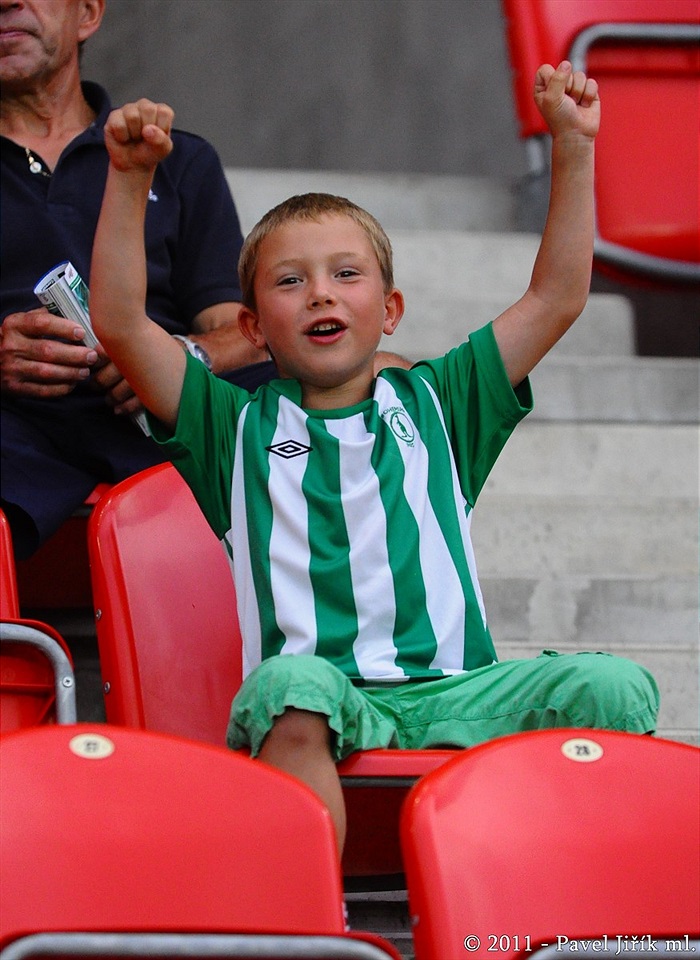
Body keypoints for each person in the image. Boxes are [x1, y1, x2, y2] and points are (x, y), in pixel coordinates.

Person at [89, 62, 660, 853]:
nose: (321, 293)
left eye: (345, 274)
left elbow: (557, 297)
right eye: (290, 282)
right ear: (253, 329)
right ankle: (311, 915)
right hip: (328, 699)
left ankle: (594, 909)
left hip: (458, 692)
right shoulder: (230, 428)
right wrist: (128, 180)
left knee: (614, 686)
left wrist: (572, 145)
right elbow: (119, 322)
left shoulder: (443, 405)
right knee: (290, 685)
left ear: (389, 311)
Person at [0, 0, 408, 560]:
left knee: (374, 381)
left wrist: (179, 356)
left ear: (88, 13)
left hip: (167, 414)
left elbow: (245, 324)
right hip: (17, 424)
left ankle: (367, 609)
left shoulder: (178, 159)